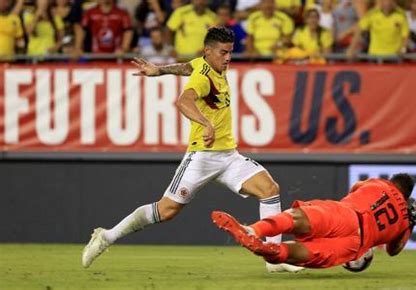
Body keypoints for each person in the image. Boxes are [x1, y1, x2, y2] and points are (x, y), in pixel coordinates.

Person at [82, 26, 302, 273]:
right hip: (202, 156)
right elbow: (183, 101)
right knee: (166, 211)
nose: (228, 58)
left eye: (230, 52)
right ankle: (106, 236)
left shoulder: (206, 65)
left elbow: (188, 67)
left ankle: (273, 259)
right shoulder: (204, 77)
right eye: (223, 53)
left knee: (269, 189)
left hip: (229, 156)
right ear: (208, 51)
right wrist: (205, 123)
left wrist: (160, 71)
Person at [212, 173, 416, 269]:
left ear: (392, 182)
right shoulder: (405, 223)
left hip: (348, 214)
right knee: (306, 252)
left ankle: (252, 230)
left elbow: (356, 187)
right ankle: (269, 251)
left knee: (298, 218)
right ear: (406, 196)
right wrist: (411, 223)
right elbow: (393, 250)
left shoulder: (379, 184)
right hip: (355, 245)